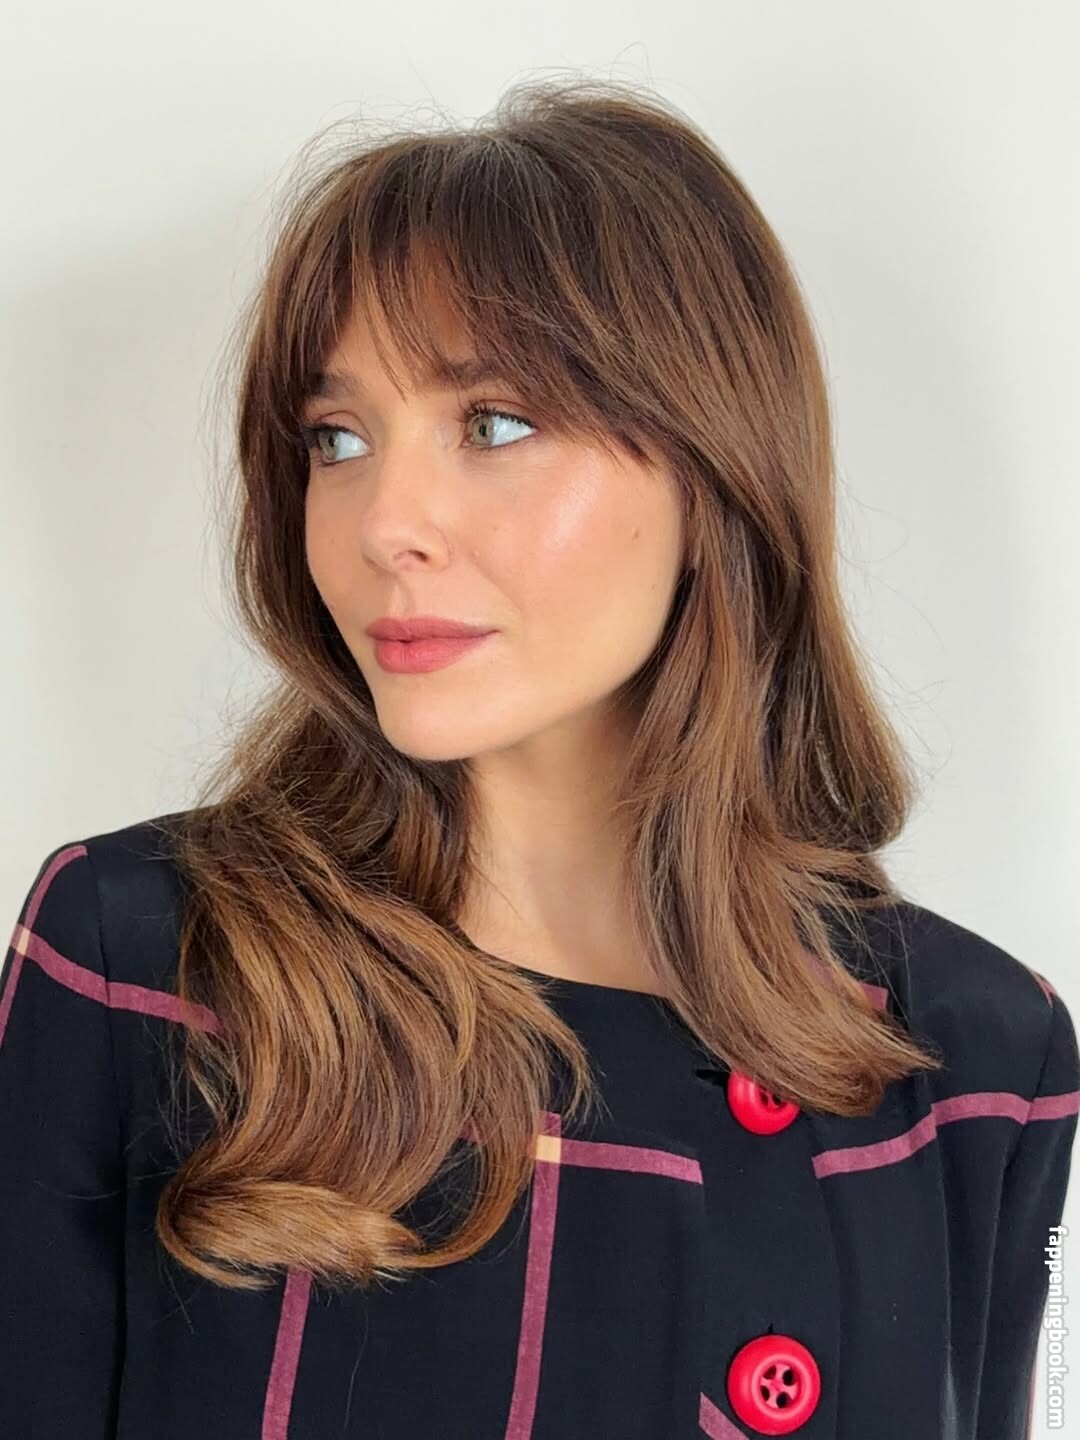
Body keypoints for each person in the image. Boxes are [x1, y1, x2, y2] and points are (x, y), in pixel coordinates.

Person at [2, 76, 1076, 1440]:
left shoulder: (978, 1056)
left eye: (495, 423)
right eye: (337, 439)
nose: (385, 522)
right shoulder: (145, 964)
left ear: (714, 469)